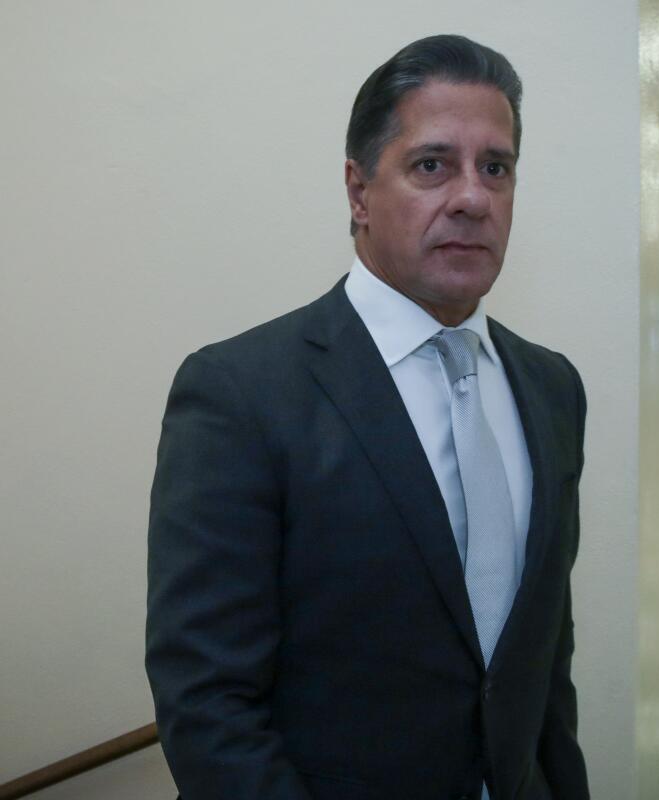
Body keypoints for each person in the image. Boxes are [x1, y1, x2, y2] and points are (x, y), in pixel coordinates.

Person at [146, 35, 589, 800]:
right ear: (358, 191)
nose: (472, 198)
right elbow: (208, 704)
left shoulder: (551, 389)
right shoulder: (240, 393)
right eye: (431, 165)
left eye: (496, 167)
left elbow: (544, 665)